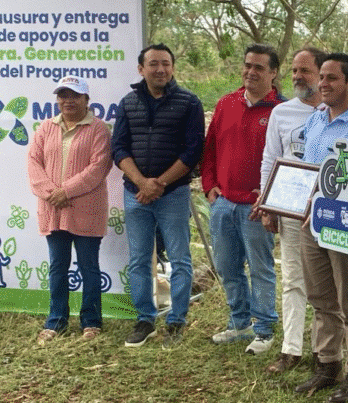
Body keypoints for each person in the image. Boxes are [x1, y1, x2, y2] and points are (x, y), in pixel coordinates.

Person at [112, 43, 205, 348]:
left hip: (173, 194)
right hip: (136, 194)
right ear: (141, 69)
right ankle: (145, 320)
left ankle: (176, 321)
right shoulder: (128, 103)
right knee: (139, 260)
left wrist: (159, 184)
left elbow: (193, 151)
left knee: (180, 259)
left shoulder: (189, 102)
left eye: (166, 63)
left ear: (173, 67)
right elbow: (119, 148)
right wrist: (142, 183)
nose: (160, 69)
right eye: (153, 64)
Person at [293, 53, 348, 403]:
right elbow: (304, 165)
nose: (322, 84)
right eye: (322, 77)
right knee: (321, 297)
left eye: (332, 78)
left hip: (343, 223)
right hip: (308, 221)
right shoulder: (315, 117)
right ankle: (327, 364)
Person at [201, 44, 285, 354]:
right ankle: (239, 322)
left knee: (260, 268)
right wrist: (209, 186)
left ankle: (263, 328)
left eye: (259, 67)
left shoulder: (281, 110)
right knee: (227, 266)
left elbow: (286, 161)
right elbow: (210, 149)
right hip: (223, 202)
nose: (251, 72)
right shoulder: (226, 103)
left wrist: (270, 201)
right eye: (248, 65)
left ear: (273, 73)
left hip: (257, 208)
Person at [28, 76, 112, 344]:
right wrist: (51, 193)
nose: (68, 100)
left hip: (86, 209)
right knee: (57, 267)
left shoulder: (98, 129)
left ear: (86, 99)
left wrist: (66, 191)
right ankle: (56, 320)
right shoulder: (45, 127)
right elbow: (33, 163)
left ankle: (91, 321)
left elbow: (99, 167)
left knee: (89, 267)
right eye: (63, 95)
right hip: (53, 209)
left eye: (75, 95)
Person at [257, 46, 326, 371]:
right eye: (295, 71)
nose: (297, 76)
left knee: (328, 284)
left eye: (305, 71)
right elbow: (270, 159)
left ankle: (326, 351)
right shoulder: (282, 113)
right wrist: (267, 206)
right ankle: (291, 349)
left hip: (328, 212)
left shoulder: (337, 112)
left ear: (322, 74)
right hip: (291, 210)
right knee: (293, 278)